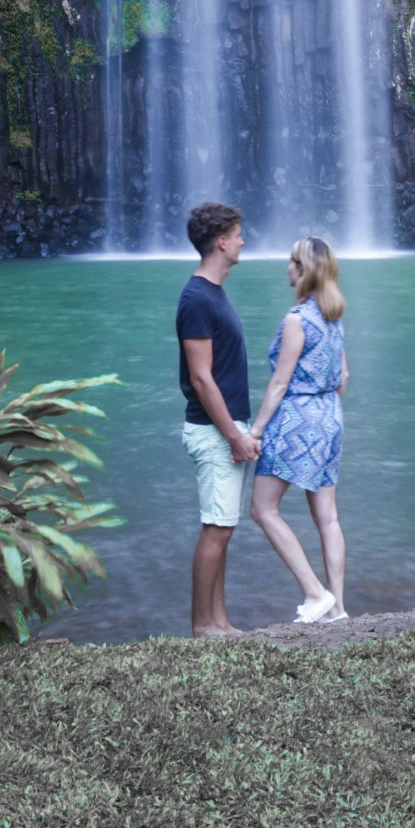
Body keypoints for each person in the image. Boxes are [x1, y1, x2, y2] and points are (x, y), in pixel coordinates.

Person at [249, 235, 349, 623]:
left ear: (304, 270)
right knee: (328, 517)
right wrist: (326, 411)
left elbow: (279, 384)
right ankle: (337, 608)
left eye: (292, 261)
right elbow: (343, 376)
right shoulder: (334, 317)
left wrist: (256, 432)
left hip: (296, 419)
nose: (287, 267)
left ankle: (315, 593)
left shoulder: (298, 320)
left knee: (263, 509)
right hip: (330, 416)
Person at [176, 201, 258, 637]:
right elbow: (201, 378)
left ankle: (220, 622)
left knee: (223, 529)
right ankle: (201, 628)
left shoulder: (213, 293)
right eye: (239, 234)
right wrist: (233, 436)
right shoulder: (196, 299)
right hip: (213, 432)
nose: (244, 240)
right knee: (215, 530)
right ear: (221, 241)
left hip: (225, 429)